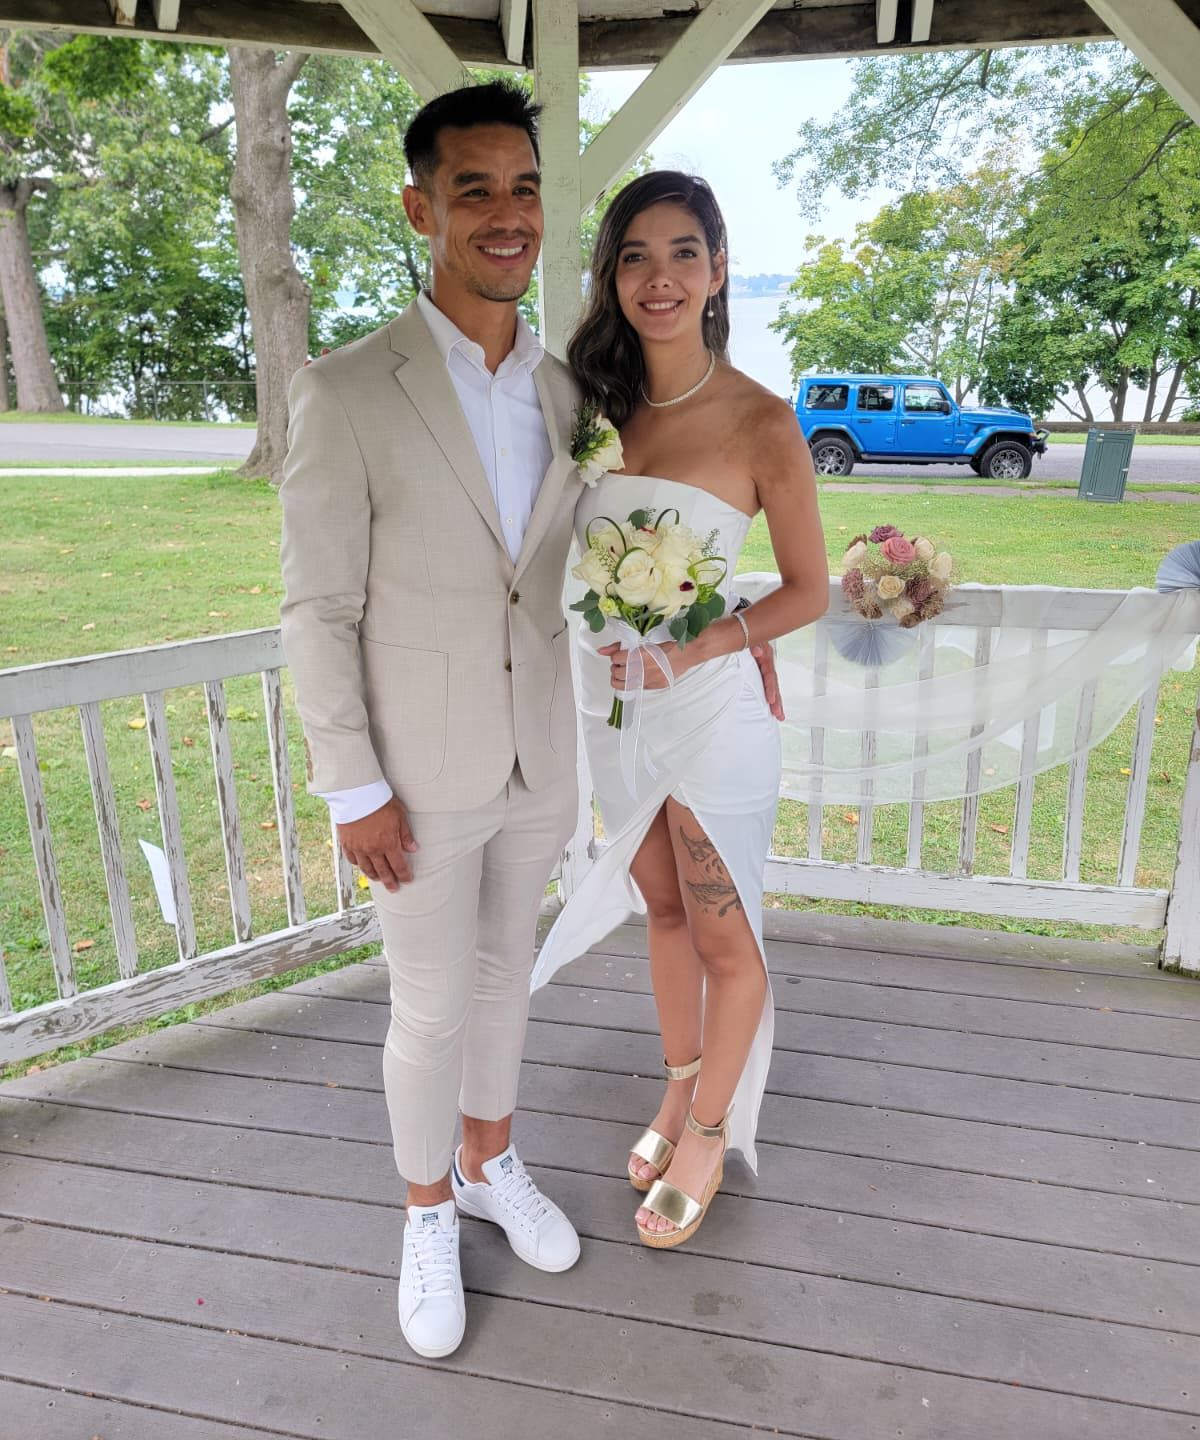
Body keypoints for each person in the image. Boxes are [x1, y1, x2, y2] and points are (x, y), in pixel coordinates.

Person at [279, 81, 586, 1360]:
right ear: (421, 208)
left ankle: (488, 1162)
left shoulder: (573, 394)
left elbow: (586, 567)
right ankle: (421, 1212)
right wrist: (353, 786)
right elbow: (314, 609)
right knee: (429, 1008)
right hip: (416, 775)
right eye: (476, 190)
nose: (507, 215)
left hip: (539, 764)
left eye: (523, 188)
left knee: (509, 977)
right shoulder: (347, 390)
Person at [532, 170, 829, 1248]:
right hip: (613, 704)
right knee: (659, 906)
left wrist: (717, 640)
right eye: (634, 256)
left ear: (715, 273)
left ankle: (709, 1128)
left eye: (682, 254)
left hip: (709, 707)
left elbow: (808, 587)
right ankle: (676, 1083)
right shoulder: (589, 407)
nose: (659, 277)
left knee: (722, 926)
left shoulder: (762, 419)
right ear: (612, 276)